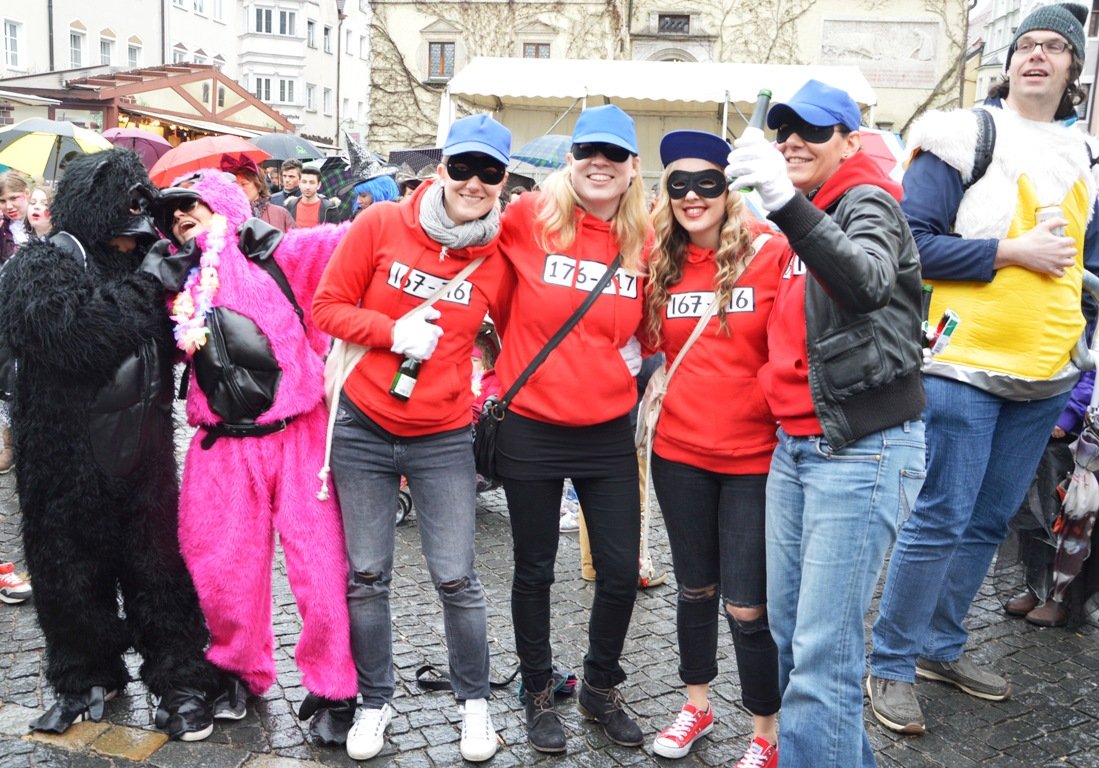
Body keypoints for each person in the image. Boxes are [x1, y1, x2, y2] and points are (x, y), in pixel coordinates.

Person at [867, 2, 1099, 737]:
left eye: (1053, 46)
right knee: (941, 515)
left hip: (1047, 371)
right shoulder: (963, 134)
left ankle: (938, 648)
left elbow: (1081, 260)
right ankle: (890, 662)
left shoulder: (1082, 152)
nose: (1036, 55)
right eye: (1025, 45)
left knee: (988, 520)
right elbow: (909, 243)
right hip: (963, 362)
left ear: (1073, 67)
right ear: (1008, 62)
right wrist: (1010, 251)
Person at [725, 79, 927, 768]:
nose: (792, 142)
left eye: (812, 131)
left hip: (859, 448)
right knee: (797, 641)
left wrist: (783, 201)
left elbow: (866, 281)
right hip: (798, 446)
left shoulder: (865, 199)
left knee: (821, 656)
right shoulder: (807, 212)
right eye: (783, 130)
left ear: (849, 140)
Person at [0, 148, 222, 741]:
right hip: (61, 461)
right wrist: (147, 286)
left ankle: (180, 681)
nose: (133, 240)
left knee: (159, 573)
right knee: (68, 575)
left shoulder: (144, 261)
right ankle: (84, 678)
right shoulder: (39, 264)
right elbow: (73, 334)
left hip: (144, 454)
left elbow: (182, 340)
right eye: (124, 228)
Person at [312, 113, 514, 763]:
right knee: (367, 575)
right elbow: (326, 307)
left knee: (456, 577)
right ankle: (375, 702)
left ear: (503, 181)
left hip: (443, 438)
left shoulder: (500, 252)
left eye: (489, 172)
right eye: (463, 167)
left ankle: (474, 704)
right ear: (441, 169)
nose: (474, 183)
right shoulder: (381, 223)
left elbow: (521, 329)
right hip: (363, 429)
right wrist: (391, 332)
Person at [143, 170, 359, 745]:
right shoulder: (175, 278)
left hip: (299, 434)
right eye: (172, 213)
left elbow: (357, 240)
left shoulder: (280, 254)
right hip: (220, 445)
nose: (181, 217)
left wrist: (435, 204)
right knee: (222, 567)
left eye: (192, 205)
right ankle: (236, 671)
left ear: (225, 206)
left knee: (322, 569)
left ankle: (336, 686)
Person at [494, 103, 650, 754]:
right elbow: (470, 263)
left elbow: (652, 330)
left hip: (607, 429)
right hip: (530, 424)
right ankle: (537, 689)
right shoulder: (528, 217)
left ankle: (598, 685)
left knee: (619, 570)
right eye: (588, 151)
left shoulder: (645, 239)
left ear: (632, 167)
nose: (599, 163)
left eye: (613, 154)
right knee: (534, 569)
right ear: (570, 158)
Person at [644, 130, 786, 767]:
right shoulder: (661, 262)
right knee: (695, 591)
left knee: (747, 606)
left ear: (731, 189)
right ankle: (696, 705)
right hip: (679, 455)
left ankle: (766, 733)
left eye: (708, 182)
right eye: (679, 183)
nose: (693, 195)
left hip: (755, 460)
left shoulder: (772, 252)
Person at [225, 156, 294, 232]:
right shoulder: (228, 216)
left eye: (244, 184)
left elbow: (296, 237)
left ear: (258, 185)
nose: (239, 189)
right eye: (235, 185)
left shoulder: (280, 213)